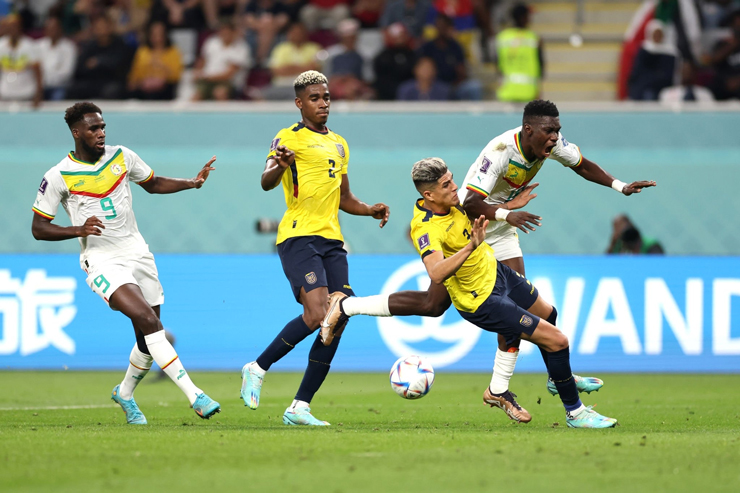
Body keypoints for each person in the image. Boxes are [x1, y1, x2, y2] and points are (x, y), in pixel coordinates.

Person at [321, 100, 656, 422]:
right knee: (435, 304)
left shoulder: (551, 142)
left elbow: (581, 164)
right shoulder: (497, 154)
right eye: (548, 132)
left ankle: (537, 381)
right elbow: (467, 202)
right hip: (475, 222)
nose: (554, 139)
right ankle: (351, 308)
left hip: (495, 224)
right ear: (528, 130)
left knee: (540, 313)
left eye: (557, 131)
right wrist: (506, 214)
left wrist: (620, 186)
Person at [31, 102, 221, 424]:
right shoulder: (58, 175)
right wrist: (78, 229)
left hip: (137, 251)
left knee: (147, 337)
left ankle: (125, 393)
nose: (101, 132)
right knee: (148, 321)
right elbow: (39, 228)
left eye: (103, 126)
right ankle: (195, 395)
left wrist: (192, 182)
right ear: (77, 132)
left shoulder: (122, 156)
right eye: (93, 128)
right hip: (101, 258)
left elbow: (154, 183)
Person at [240, 71, 390, 426]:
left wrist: (369, 209)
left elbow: (345, 197)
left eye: (326, 97)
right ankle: (257, 367)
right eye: (314, 98)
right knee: (317, 313)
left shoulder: (340, 143)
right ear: (299, 103)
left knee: (336, 319)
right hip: (298, 236)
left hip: (332, 241)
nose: (322, 103)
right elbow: (265, 182)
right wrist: (281, 164)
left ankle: (300, 406)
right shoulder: (287, 138)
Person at [495, 3, 544, 103]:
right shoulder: (535, 39)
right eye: (528, 16)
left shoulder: (502, 38)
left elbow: (498, 65)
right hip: (529, 94)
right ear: (522, 18)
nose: (530, 19)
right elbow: (541, 68)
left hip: (506, 93)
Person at [192, 20, 251, 101]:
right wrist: (197, 72)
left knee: (220, 93)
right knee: (196, 96)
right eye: (222, 31)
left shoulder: (242, 48)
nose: (224, 34)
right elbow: (202, 60)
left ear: (234, 32)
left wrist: (205, 76)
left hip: (228, 83)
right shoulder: (211, 42)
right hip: (207, 80)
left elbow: (229, 74)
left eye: (227, 32)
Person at [128, 21, 183, 100]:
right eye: (154, 35)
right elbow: (135, 73)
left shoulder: (173, 52)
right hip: (144, 87)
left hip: (165, 88)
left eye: (160, 34)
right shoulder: (142, 51)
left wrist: (162, 67)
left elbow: (176, 75)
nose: (157, 38)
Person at [627, 19, 677, 101]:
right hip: (642, 89)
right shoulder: (644, 50)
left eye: (659, 34)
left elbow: (669, 76)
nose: (657, 37)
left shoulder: (670, 53)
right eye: (655, 34)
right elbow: (637, 73)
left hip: (662, 89)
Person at [0, 13, 42, 106]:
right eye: (9, 27)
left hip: (26, 95)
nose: (12, 29)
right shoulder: (1, 45)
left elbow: (38, 72)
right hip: (5, 95)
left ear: (20, 27)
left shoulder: (30, 46)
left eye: (14, 26)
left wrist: (38, 94)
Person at [37, 15, 77, 101]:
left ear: (60, 29)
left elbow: (67, 73)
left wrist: (46, 80)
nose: (52, 31)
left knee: (58, 96)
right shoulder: (38, 45)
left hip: (59, 86)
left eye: (54, 28)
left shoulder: (69, 47)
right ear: (45, 30)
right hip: (40, 86)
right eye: (49, 28)